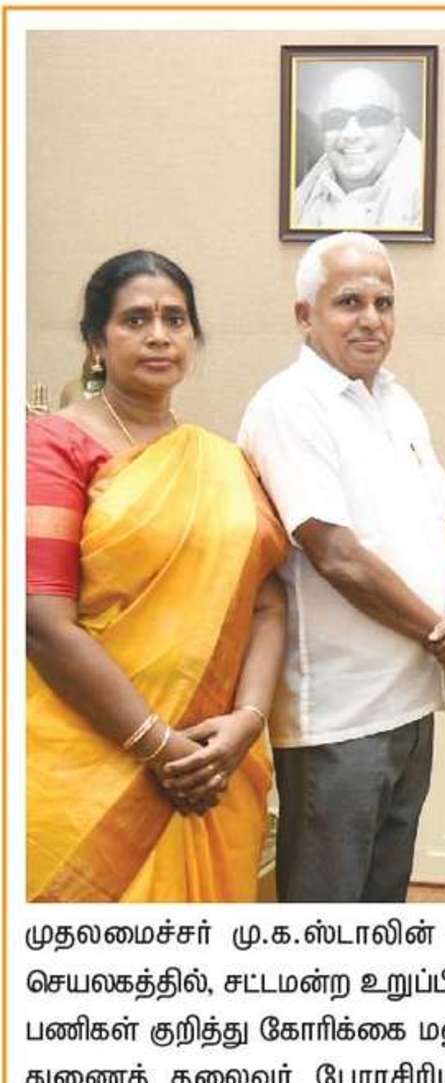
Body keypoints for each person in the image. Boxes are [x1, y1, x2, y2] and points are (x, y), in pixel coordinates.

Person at [26, 251, 288, 901]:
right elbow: (41, 622)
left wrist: (248, 720)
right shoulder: (51, 447)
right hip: (88, 764)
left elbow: (267, 602)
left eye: (175, 319)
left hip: (214, 763)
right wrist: (158, 746)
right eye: (135, 320)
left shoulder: (223, 461)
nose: (159, 335)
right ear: (96, 341)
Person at [238, 231, 445, 902]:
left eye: (384, 303)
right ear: (305, 315)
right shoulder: (289, 405)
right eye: (349, 302)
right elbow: (336, 555)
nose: (371, 319)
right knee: (328, 916)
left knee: (383, 905)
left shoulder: (397, 401)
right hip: (340, 717)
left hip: (412, 702)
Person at [293, 67, 423, 230]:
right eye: (336, 118)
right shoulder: (309, 188)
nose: (350, 134)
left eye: (370, 117)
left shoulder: (428, 191)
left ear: (398, 127)